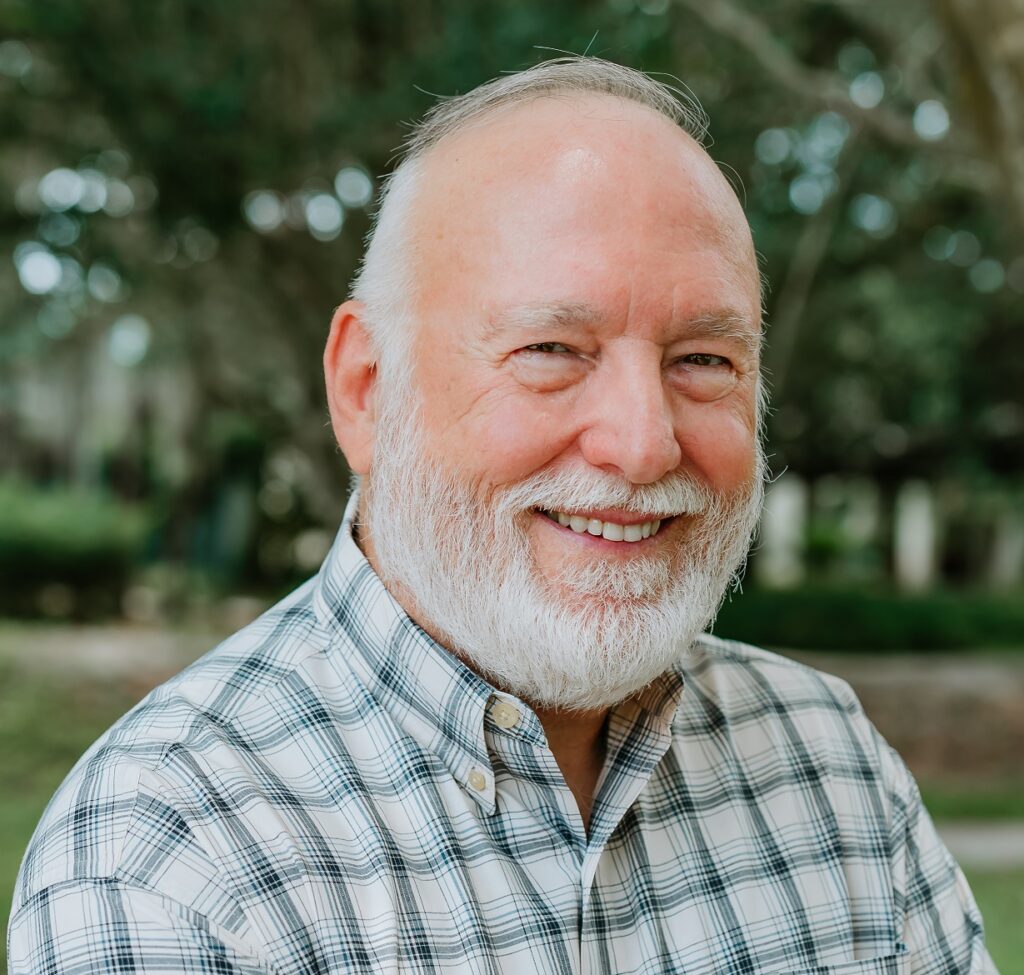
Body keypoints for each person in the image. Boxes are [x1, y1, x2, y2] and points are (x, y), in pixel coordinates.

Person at [9, 57, 996, 974]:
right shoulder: (168, 855)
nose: (643, 443)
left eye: (703, 360)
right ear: (365, 387)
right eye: (552, 350)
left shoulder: (830, 768)